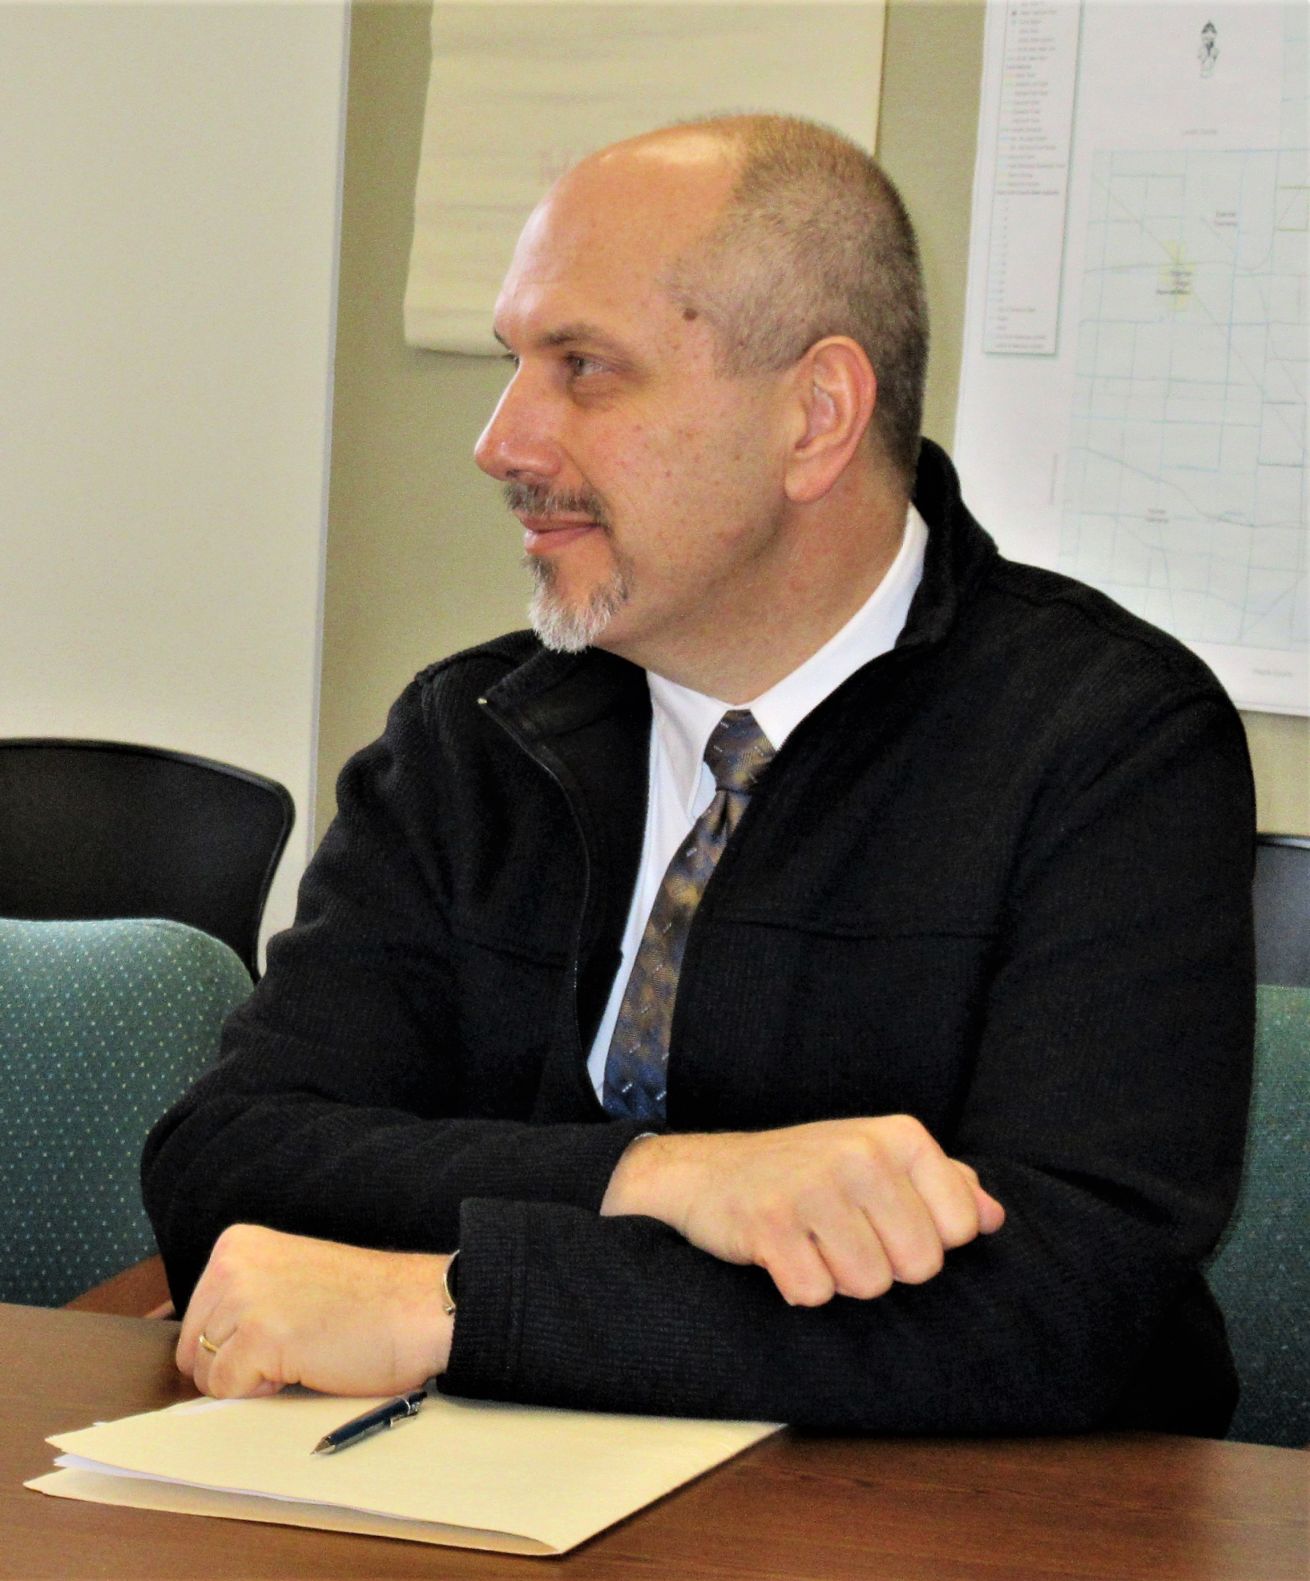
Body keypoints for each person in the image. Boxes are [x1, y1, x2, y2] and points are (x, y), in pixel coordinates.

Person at [143, 114, 1255, 1436]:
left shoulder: (1109, 743)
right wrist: (664, 1177)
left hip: (944, 1521)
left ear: (814, 417)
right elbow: (231, 1163)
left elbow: (1061, 1303)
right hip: (472, 1490)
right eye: (514, 363)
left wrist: (454, 1304)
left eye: (582, 368)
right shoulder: (470, 733)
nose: (502, 441)